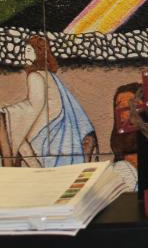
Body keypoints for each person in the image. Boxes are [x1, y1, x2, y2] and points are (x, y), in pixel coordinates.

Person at [0, 35, 97, 167]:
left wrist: (9, 111)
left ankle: (36, 169)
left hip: (50, 128)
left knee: (15, 131)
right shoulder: (49, 75)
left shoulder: (35, 76)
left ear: (38, 53)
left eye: (29, 51)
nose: (25, 55)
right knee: (18, 132)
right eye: (25, 51)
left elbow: (35, 106)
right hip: (58, 125)